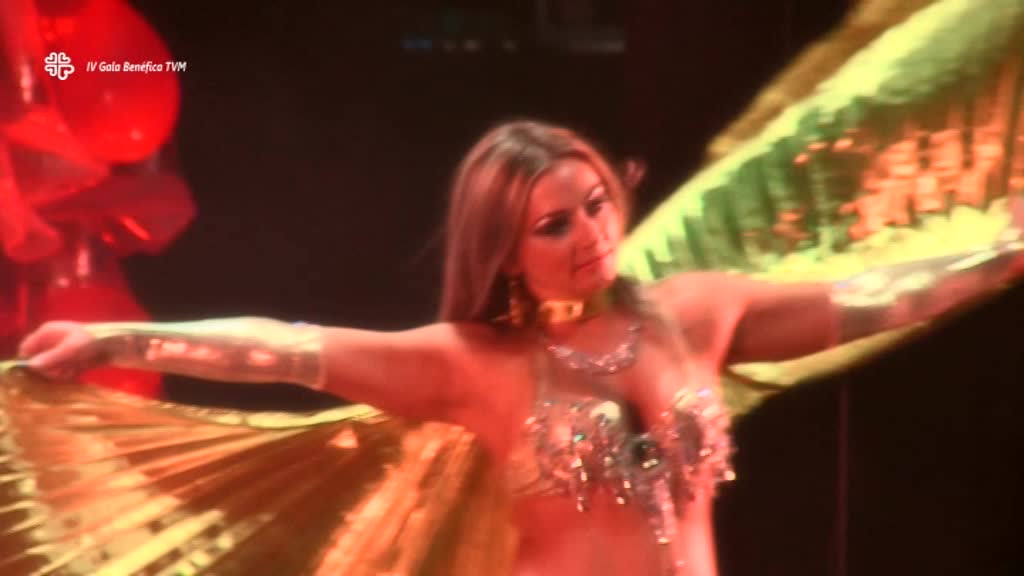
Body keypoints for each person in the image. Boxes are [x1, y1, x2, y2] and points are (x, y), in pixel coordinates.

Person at [15, 120, 1024, 575]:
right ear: (503, 251)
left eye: (595, 203)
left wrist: (1001, 255)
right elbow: (282, 349)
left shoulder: (696, 314)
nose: (591, 234)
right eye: (554, 224)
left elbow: (875, 299)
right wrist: (113, 333)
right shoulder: (473, 363)